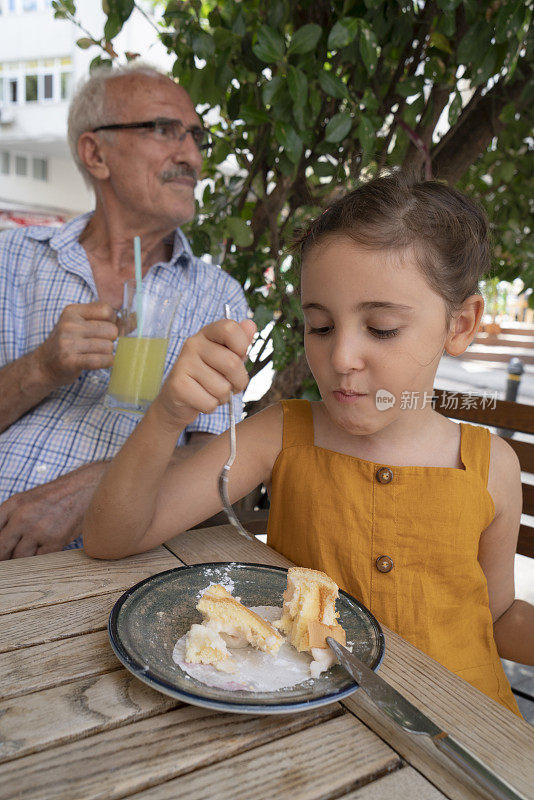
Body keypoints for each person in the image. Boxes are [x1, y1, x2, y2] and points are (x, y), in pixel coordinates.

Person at [83, 173, 534, 716]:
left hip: (471, 725)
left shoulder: (489, 467)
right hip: (317, 724)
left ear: (459, 325)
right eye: (320, 326)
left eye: (383, 328)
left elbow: (498, 616)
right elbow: (112, 536)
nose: (341, 356)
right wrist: (168, 414)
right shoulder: (280, 434)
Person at [0, 64, 248, 558]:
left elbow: (215, 454)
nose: (192, 155)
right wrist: (43, 366)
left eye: (196, 136)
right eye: (164, 129)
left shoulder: (215, 296)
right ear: (96, 153)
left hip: (95, 563)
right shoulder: (11, 258)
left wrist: (97, 482)